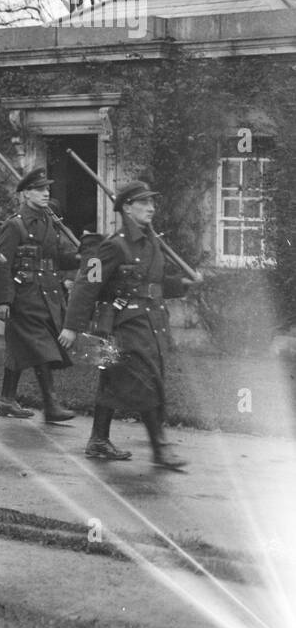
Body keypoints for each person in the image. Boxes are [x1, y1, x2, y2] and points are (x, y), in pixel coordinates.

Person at [60, 182, 195, 469]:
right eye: (144, 203)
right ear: (127, 208)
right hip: (122, 325)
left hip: (151, 324)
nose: (151, 208)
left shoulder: (152, 242)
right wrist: (72, 326)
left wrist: (182, 284)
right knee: (146, 381)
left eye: (152, 203)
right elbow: (86, 284)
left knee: (111, 379)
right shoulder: (113, 245)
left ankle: (98, 440)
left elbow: (153, 284)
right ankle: (160, 448)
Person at [0, 167, 81, 423]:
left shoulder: (50, 223)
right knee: (43, 347)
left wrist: (78, 255)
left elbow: (57, 258)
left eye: (47, 189)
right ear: (25, 194)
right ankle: (51, 404)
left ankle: (7, 399)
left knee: (21, 347)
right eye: (39, 189)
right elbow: (2, 265)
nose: (46, 193)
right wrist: (2, 300)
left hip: (49, 295)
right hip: (25, 296)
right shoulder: (14, 225)